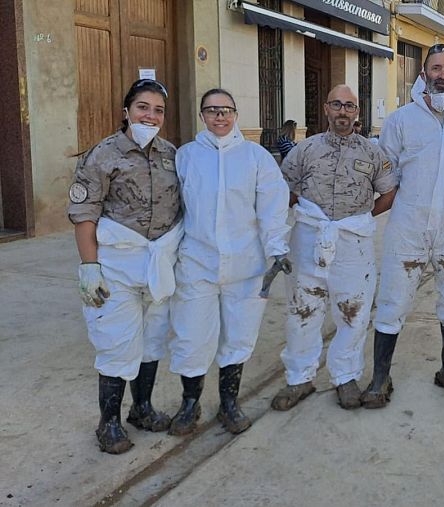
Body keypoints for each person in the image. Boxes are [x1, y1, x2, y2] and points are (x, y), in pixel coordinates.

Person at [361, 44, 444, 408]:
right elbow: (385, 173)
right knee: (393, 300)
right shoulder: (401, 121)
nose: (442, 75)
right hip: (408, 227)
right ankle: (380, 378)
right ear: (423, 73)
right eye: (436, 68)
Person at [68, 78, 182, 454]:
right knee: (117, 342)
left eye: (158, 110)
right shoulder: (103, 154)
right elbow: (85, 213)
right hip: (116, 266)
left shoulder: (170, 154)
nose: (150, 116)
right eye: (143, 108)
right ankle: (109, 422)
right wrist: (90, 267)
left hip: (157, 265)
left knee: (152, 340)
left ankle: (142, 408)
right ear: (126, 112)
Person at [168, 88, 292, 436]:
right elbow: (173, 209)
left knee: (238, 335)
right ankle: (189, 404)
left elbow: (271, 207)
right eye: (211, 110)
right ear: (202, 116)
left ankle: (229, 403)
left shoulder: (255, 158)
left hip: (245, 266)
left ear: (236, 114)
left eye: (225, 110)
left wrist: (277, 248)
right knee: (192, 337)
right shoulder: (187, 157)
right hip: (196, 264)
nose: (219, 117)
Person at [272, 85, 398, 411]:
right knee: (303, 308)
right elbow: (284, 190)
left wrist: (360, 218)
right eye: (337, 105)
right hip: (308, 239)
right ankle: (299, 378)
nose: (343, 112)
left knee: (353, 311)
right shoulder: (304, 150)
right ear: (326, 108)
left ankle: (345, 377)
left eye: (350, 106)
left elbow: (388, 192)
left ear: (357, 113)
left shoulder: (372, 153)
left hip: (353, 242)